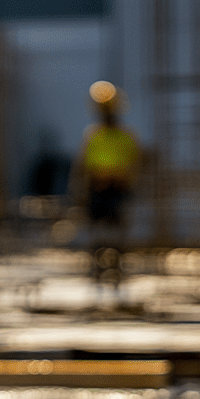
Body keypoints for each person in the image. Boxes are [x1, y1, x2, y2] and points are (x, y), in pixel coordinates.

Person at [74, 81, 140, 293]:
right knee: (98, 232)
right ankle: (97, 266)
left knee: (117, 231)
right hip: (97, 188)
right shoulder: (93, 136)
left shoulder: (125, 137)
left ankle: (117, 265)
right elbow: (83, 166)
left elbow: (135, 163)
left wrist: (126, 180)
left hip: (118, 189)